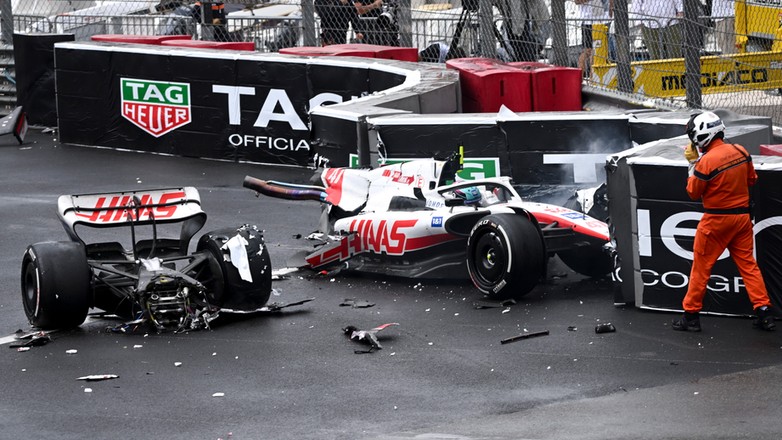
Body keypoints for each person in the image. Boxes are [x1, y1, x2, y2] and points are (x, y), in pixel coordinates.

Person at [673, 111, 775, 332]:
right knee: (748, 265)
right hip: (742, 220)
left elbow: (692, 192)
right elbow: (752, 179)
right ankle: (764, 311)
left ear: (702, 135)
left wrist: (692, 163)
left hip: (716, 221)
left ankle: (690, 317)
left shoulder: (705, 162)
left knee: (701, 269)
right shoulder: (741, 151)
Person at [576, 0, 611, 77]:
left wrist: (611, 10)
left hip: (603, 20)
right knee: (587, 50)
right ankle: (580, 78)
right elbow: (577, 1)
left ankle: (593, 78)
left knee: (598, 51)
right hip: (588, 21)